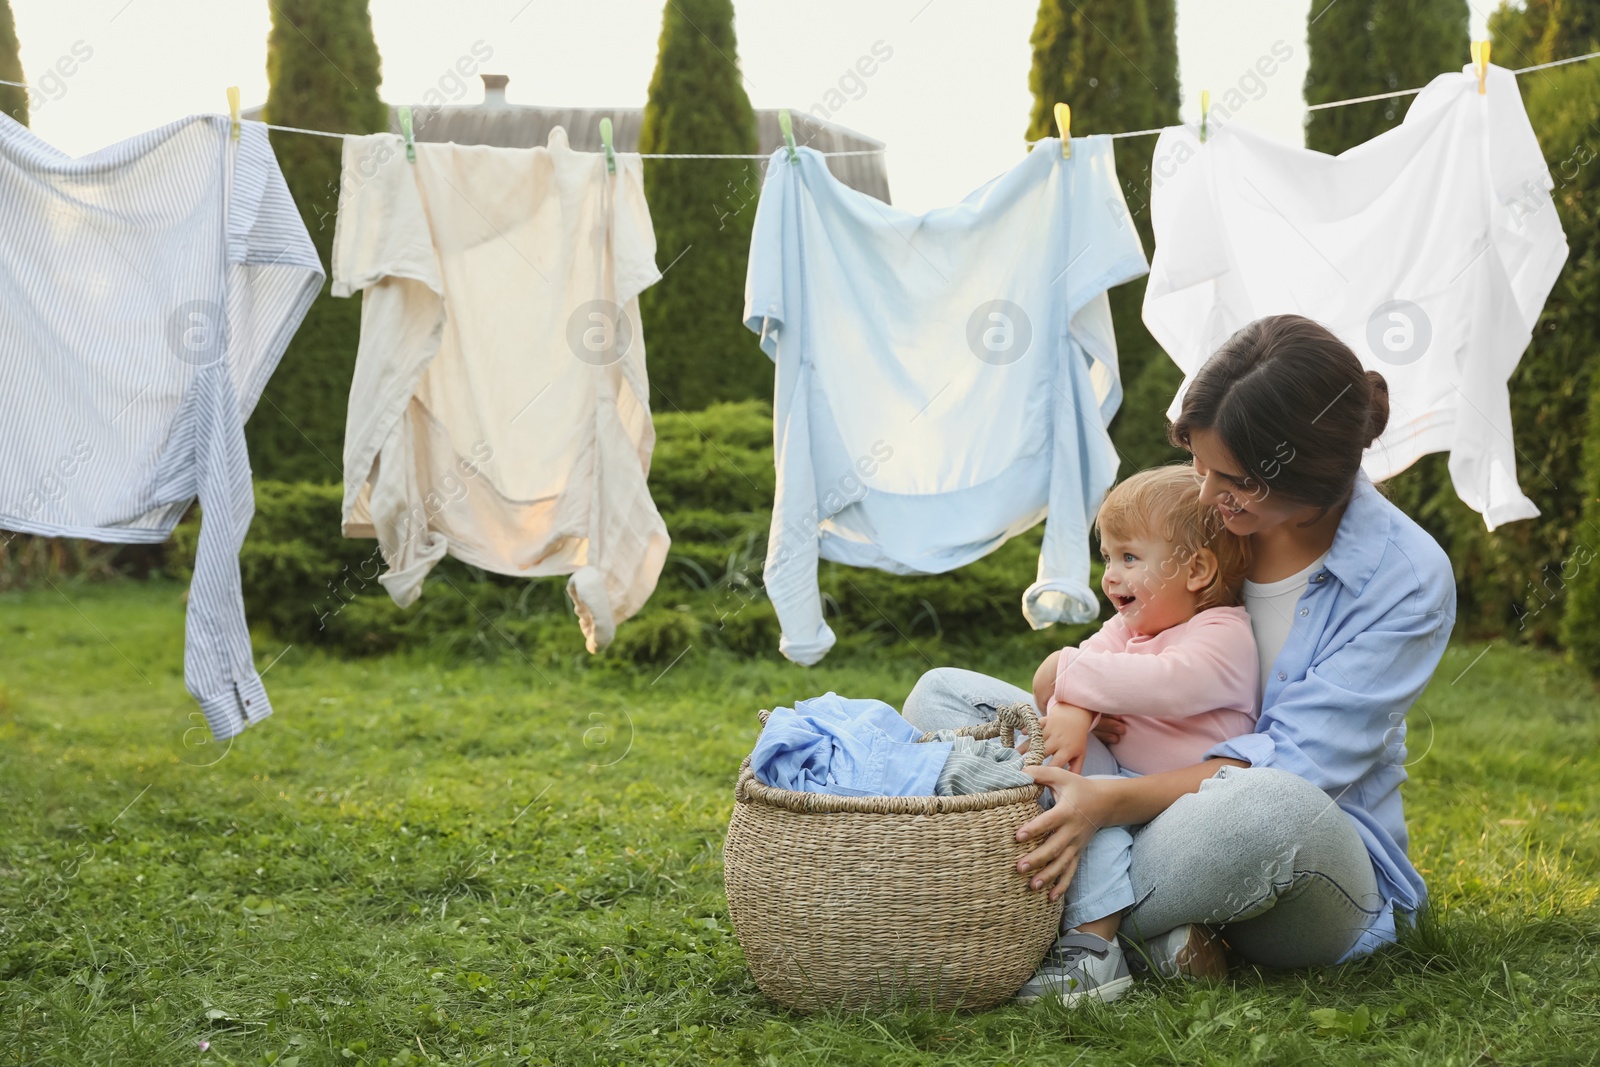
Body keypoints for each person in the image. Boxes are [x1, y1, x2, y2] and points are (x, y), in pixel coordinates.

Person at [900, 314, 1455, 1005]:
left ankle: (1049, 905)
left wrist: (1103, 802)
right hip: (1137, 799)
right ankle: (1158, 935)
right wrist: (1073, 709)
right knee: (943, 697)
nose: (1204, 495)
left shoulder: (1405, 578)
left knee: (1269, 813)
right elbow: (1121, 644)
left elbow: (1292, 767)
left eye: (1232, 478)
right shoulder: (1215, 520)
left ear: (1309, 474)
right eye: (1200, 465)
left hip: (1287, 848)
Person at [1013, 464, 1258, 1004]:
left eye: (1129, 557)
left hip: (1176, 813)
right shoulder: (1126, 629)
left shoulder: (1223, 638)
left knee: (1085, 798)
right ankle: (1154, 946)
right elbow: (1054, 686)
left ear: (1196, 570)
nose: (1110, 576)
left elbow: (1163, 684)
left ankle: (1093, 947)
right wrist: (1078, 711)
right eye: (1108, 558)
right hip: (1116, 785)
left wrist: (1068, 679)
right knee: (1043, 751)